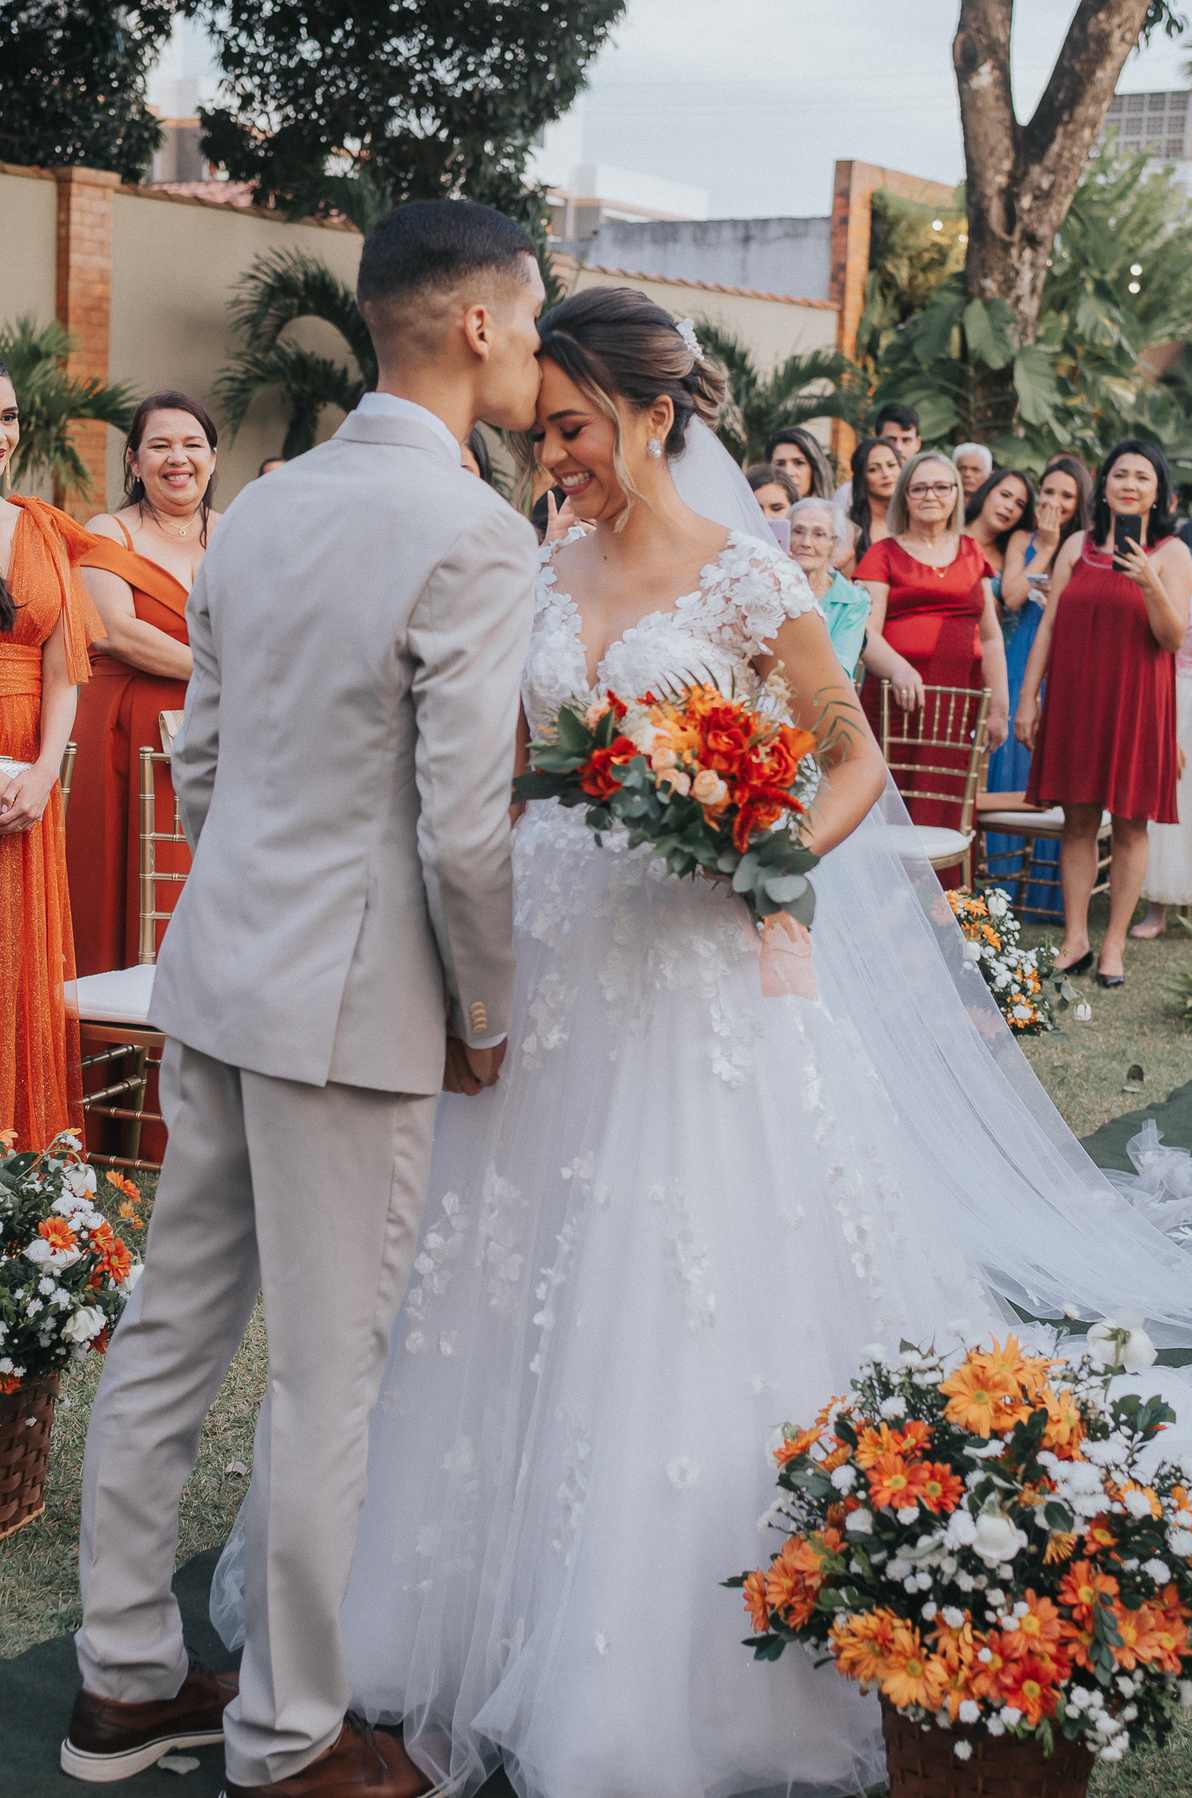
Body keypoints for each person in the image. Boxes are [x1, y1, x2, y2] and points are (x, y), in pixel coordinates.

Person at [198, 283, 1192, 1798]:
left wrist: (773, 847)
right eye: (543, 436)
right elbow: (495, 767)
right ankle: (412, 1613)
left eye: (576, 431)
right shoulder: (529, 561)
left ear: (655, 414)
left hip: (693, 972)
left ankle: (663, 1664)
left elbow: (850, 751)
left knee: (680, 1284)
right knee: (488, 1273)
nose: (554, 460)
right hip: (539, 962)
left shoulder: (747, 577)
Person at [65, 198, 546, 1798]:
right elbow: (462, 827)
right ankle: (288, 1735)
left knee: (169, 1331)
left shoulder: (265, 505)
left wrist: (252, 906)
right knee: (328, 1378)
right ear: (476, 324)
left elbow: (202, 755)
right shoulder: (474, 533)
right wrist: (485, 1015)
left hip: (217, 970)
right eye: (530, 317)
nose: (535, 348)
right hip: (350, 1010)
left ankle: (124, 1675)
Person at [1017, 438, 1192, 985]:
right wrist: (1028, 698)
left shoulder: (1172, 554)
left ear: (1159, 492)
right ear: (1105, 484)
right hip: (1075, 700)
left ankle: (1113, 944)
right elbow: (1048, 625)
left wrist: (1148, 582)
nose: (1129, 485)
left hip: (1137, 702)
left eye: (1142, 477)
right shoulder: (1077, 546)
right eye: (1120, 474)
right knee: (1077, 822)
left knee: (1131, 826)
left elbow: (1172, 638)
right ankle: (1076, 940)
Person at [65, 393, 220, 977]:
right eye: (159, 445)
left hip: (218, 733)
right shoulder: (109, 530)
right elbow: (114, 631)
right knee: (115, 879)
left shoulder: (237, 533)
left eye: (192, 444)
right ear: (133, 459)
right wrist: (225, 674)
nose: (177, 458)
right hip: (124, 731)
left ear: (212, 457)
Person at [0, 362, 103, 1152]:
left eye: (7, 418)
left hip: (27, 774)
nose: (0, 435)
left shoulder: (39, 530)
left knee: (19, 958)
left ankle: (17, 1161)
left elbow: (65, 669)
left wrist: (44, 773)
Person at [856, 453, 1008, 857]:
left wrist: (999, 707)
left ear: (956, 494)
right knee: (890, 802)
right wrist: (899, 669)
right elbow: (865, 632)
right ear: (904, 496)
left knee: (947, 803)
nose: (931, 496)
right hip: (895, 702)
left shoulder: (972, 552)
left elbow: (991, 637)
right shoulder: (883, 553)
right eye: (919, 488)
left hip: (956, 705)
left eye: (942, 487)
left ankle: (944, 895)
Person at [985, 455, 1092, 912]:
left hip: (1066, 659)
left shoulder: (1089, 546)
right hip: (1020, 655)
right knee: (1010, 760)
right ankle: (1000, 886)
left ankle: (1048, 891)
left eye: (1067, 495)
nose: (1055, 502)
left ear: (1081, 502)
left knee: (1054, 767)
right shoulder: (1022, 540)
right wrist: (1045, 547)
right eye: (1048, 492)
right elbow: (1011, 597)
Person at [1133, 588, 1192, 937]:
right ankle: (1156, 910)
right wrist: (1166, 731)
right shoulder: (1179, 588)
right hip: (1177, 699)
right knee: (1173, 803)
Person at [789, 495, 870, 676]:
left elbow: (840, 669)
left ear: (834, 544)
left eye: (819, 534)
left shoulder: (854, 599)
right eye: (798, 531)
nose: (806, 543)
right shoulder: (769, 589)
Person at [832, 401, 921, 510]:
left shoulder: (927, 489)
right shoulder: (848, 495)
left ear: (918, 443)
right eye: (890, 440)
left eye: (906, 440)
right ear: (875, 439)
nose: (899, 448)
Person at [963, 466, 1035, 577]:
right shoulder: (944, 533)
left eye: (1019, 505)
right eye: (1004, 495)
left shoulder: (1011, 562)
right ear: (986, 491)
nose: (1009, 507)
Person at [845, 433, 903, 555]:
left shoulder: (915, 520)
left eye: (891, 465)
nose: (886, 474)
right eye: (873, 469)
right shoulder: (849, 528)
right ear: (861, 477)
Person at [765, 424, 834, 499]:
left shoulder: (836, 506)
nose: (788, 472)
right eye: (780, 464)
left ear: (815, 468)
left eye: (799, 463)